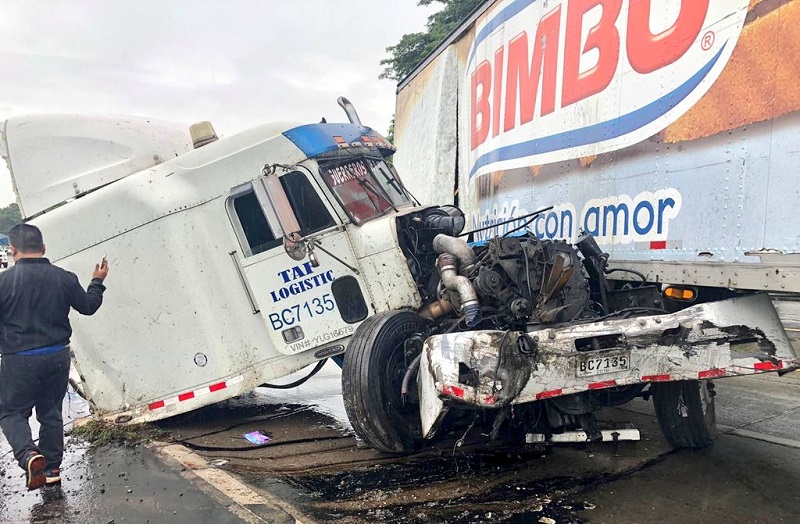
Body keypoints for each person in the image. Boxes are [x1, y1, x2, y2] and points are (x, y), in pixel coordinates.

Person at [0, 223, 108, 491]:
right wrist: (97, 282)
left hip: (19, 358)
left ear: (13, 251)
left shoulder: (3, 282)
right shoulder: (65, 277)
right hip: (57, 356)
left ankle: (28, 455)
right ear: (43, 248)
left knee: (11, 412)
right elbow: (89, 307)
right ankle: (52, 469)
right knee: (50, 413)